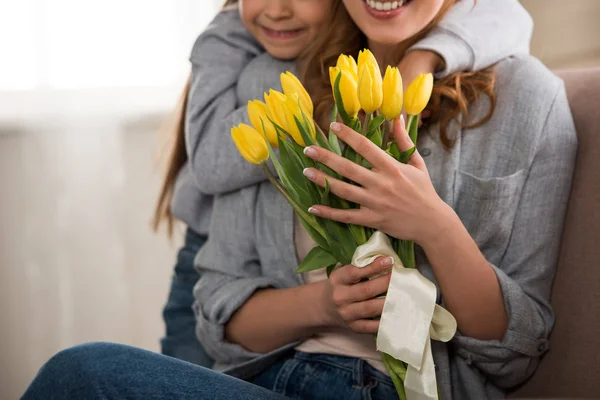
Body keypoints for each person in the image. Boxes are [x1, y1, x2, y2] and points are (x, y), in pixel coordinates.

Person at [21, 0, 556, 399]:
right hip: (269, 378)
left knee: (79, 376)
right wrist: (326, 306)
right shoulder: (283, 88)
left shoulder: (526, 98)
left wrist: (433, 225)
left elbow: (516, 350)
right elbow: (216, 311)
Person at [152, 0, 533, 369]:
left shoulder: (497, 71)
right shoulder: (234, 39)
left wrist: (423, 58)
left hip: (285, 305)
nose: (277, 9)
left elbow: (508, 15)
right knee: (171, 368)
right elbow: (209, 165)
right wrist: (312, 111)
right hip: (208, 247)